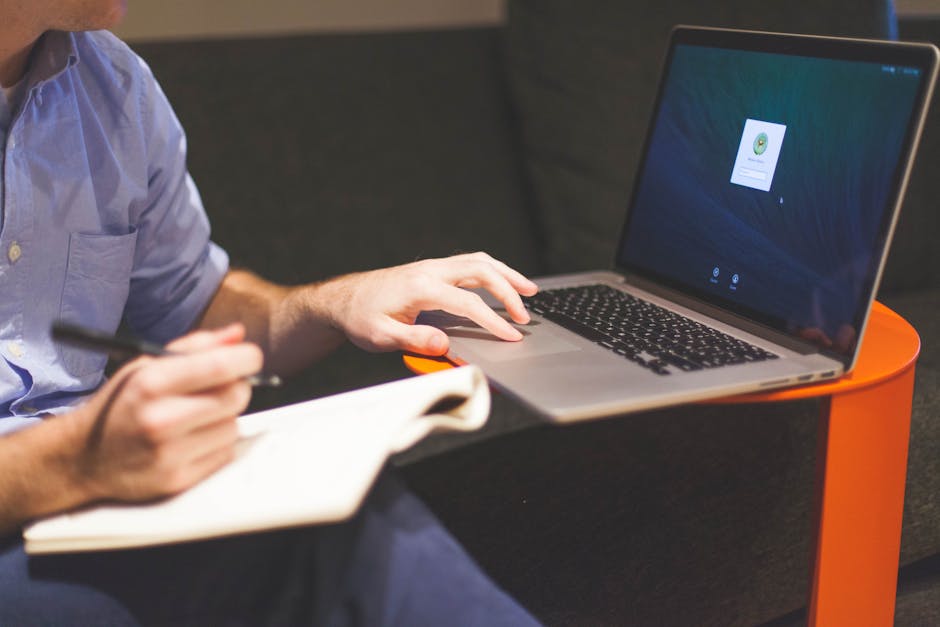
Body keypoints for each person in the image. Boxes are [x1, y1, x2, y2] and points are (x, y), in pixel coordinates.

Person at [0, 1, 542, 624]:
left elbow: (194, 305)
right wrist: (74, 460)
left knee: (354, 523)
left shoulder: (112, 88)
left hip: (92, 506)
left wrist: (335, 303)